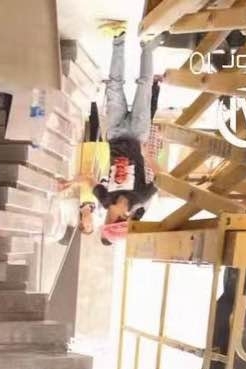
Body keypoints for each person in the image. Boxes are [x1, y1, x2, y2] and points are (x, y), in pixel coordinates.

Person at [93, 22, 159, 245]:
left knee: (114, 86)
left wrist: (70, 182)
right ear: (115, 221)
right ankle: (147, 45)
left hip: (114, 133)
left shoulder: (105, 199)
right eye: (107, 222)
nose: (105, 219)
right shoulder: (140, 197)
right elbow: (162, 180)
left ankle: (119, 37)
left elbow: (87, 181)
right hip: (138, 135)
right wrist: (147, 155)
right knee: (144, 86)